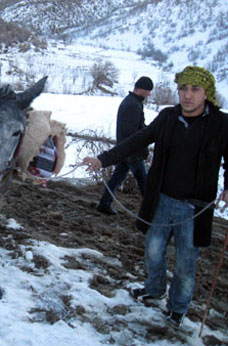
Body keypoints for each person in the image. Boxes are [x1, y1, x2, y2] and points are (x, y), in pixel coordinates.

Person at [82, 66, 228, 328]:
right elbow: (137, 139)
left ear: (207, 93)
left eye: (195, 89)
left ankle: (178, 308)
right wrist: (102, 160)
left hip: (194, 209)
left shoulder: (221, 124)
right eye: (183, 88)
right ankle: (155, 289)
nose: (187, 95)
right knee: (153, 251)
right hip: (161, 200)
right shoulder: (168, 117)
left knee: (185, 265)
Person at [97, 76, 154, 215]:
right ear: (142, 89)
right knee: (144, 183)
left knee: (117, 178)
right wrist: (144, 137)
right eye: (148, 91)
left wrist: (148, 131)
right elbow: (131, 132)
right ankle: (151, 213)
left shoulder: (133, 102)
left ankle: (104, 204)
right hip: (132, 152)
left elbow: (137, 127)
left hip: (127, 150)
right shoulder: (133, 105)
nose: (149, 94)